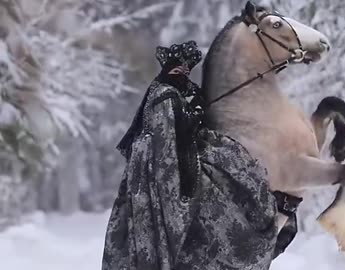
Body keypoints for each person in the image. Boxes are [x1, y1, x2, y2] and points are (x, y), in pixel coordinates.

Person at [101, 40, 298, 270]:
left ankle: (270, 214)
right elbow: (169, 138)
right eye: (177, 70)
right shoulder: (164, 95)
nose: (182, 74)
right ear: (167, 70)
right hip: (169, 172)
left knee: (237, 172)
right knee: (219, 204)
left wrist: (197, 111)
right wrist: (192, 118)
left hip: (183, 158)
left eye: (186, 71)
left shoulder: (181, 94)